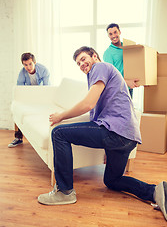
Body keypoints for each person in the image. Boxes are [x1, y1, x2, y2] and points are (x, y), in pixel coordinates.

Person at [38, 46, 167, 221]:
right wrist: (109, 148)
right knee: (112, 180)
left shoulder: (100, 67)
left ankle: (65, 191)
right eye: (78, 63)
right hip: (126, 139)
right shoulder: (102, 77)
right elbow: (100, 116)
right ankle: (155, 191)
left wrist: (61, 115)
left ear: (94, 56)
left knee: (59, 133)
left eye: (84, 59)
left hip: (117, 134)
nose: (82, 64)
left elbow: (88, 104)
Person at [8, 52, 50, 148]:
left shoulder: (44, 70)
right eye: (25, 65)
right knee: (17, 109)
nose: (28, 67)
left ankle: (44, 136)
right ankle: (18, 138)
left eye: (30, 64)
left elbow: (47, 88)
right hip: (29, 96)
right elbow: (20, 90)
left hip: (43, 95)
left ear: (35, 62)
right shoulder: (22, 73)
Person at [103, 23, 140, 98]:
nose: (113, 36)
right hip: (118, 88)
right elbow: (110, 76)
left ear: (119, 32)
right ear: (108, 36)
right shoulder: (108, 53)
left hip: (129, 87)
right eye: (110, 34)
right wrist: (127, 82)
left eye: (115, 32)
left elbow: (135, 63)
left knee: (129, 108)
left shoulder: (128, 47)